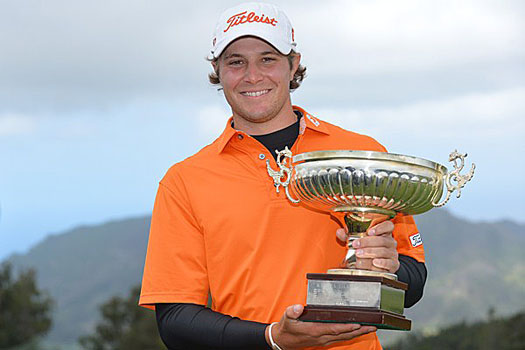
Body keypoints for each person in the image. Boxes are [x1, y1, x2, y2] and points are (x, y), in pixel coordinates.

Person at [139, 2, 427, 349]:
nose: (252, 75)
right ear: (218, 70)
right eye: (236, 62)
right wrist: (273, 338)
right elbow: (175, 321)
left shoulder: (360, 154)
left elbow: (415, 282)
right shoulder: (185, 181)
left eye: (268, 58)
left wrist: (388, 267)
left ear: (293, 64)